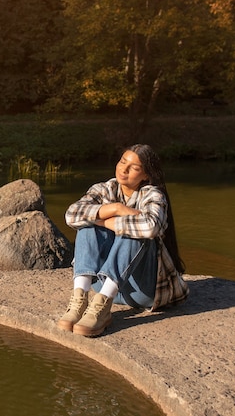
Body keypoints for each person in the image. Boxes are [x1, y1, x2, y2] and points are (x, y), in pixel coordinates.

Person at [57, 144, 189, 337]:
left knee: (137, 231)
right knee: (87, 225)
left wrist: (104, 220)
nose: (124, 169)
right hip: (99, 282)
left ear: (146, 175)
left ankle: (101, 307)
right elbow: (71, 215)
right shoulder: (104, 189)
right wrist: (117, 209)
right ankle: (79, 300)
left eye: (134, 168)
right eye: (122, 162)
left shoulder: (153, 195)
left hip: (141, 292)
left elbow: (150, 226)